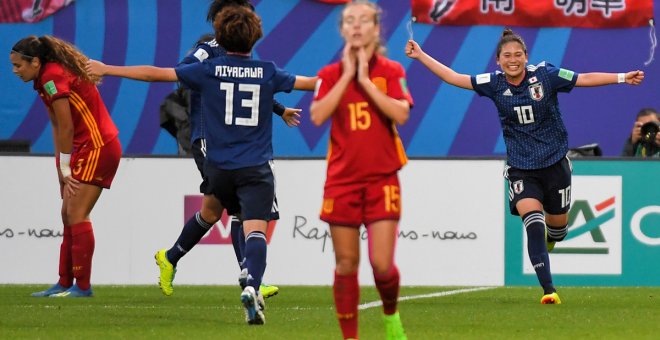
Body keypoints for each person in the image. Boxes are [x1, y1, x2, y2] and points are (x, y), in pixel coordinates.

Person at [87, 4, 310, 325]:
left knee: (212, 210)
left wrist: (107, 68)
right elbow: (299, 81)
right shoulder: (219, 57)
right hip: (220, 143)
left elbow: (162, 74)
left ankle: (173, 256)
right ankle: (251, 280)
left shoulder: (222, 66)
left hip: (223, 159)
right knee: (248, 218)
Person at [406, 29, 644, 304]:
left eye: (518, 54)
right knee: (532, 223)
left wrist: (622, 77)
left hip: (555, 163)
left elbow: (583, 79)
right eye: (507, 56)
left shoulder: (545, 75)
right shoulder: (493, 83)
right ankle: (549, 290)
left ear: (526, 57)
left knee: (558, 229)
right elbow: (454, 77)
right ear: (498, 61)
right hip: (521, 167)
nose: (513, 60)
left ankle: (553, 238)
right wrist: (421, 54)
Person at [309, 1, 412, 339]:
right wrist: (348, 76)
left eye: (363, 20)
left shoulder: (391, 70)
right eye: (349, 21)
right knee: (346, 264)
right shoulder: (328, 75)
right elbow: (317, 115)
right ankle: (350, 336)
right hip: (342, 183)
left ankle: (390, 316)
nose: (356, 26)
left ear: (376, 29)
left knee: (382, 266)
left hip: (382, 178)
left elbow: (401, 114)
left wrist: (366, 81)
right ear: (342, 29)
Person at [10, 35, 122, 298]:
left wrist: (65, 167)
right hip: (86, 147)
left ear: (35, 62)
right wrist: (61, 168)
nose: (15, 71)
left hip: (98, 146)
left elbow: (67, 125)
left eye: (18, 66)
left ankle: (82, 287)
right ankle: (63, 283)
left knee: (76, 213)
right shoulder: (43, 80)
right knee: (67, 213)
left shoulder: (51, 78)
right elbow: (58, 126)